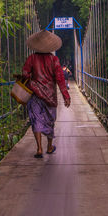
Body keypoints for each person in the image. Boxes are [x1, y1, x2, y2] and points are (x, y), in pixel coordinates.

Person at [22, 30, 71, 158]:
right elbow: (60, 79)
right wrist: (66, 96)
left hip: (36, 95)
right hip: (50, 96)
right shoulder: (54, 60)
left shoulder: (31, 58)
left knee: (36, 120)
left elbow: (25, 74)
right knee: (50, 121)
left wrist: (32, 81)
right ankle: (49, 147)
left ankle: (39, 148)